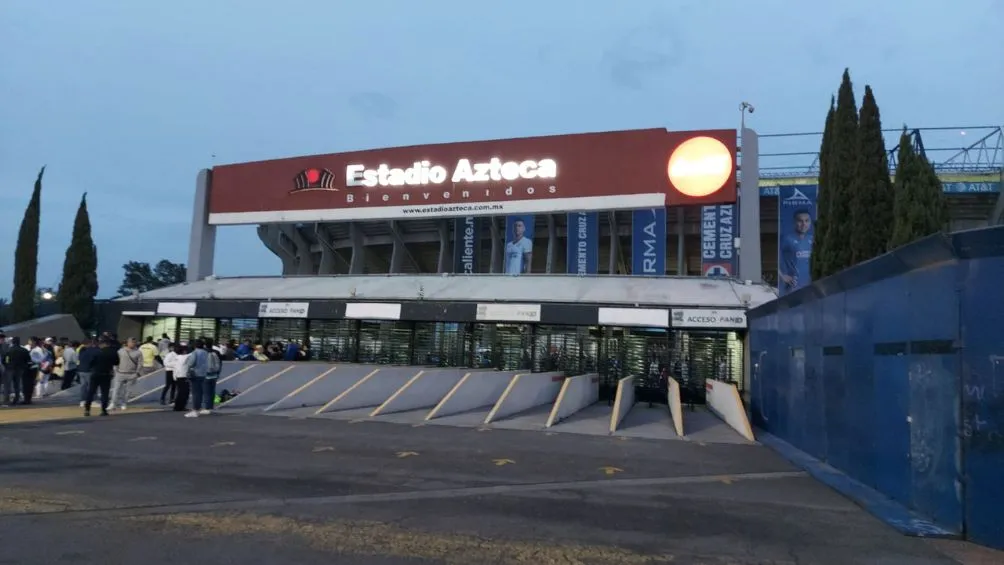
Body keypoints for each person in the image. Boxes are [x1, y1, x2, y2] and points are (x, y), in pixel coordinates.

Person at [779, 208, 813, 294]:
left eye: (806, 221)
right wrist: (782, 276)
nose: (803, 224)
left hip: (810, 286)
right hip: (793, 287)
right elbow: (773, 258)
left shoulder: (812, 239)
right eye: (800, 221)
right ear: (794, 222)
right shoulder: (787, 239)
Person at [84, 338, 119, 417]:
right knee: (105, 393)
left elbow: (91, 363)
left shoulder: (97, 352)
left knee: (91, 392)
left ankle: (87, 410)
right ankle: (103, 410)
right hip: (106, 374)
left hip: (95, 373)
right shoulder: (113, 353)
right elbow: (117, 362)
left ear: (102, 344)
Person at [111, 338, 142, 411]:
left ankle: (123, 403)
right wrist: (116, 370)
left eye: (134, 342)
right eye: (131, 342)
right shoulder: (120, 351)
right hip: (120, 373)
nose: (133, 343)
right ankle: (113, 403)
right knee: (116, 389)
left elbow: (140, 363)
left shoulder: (138, 352)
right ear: (127, 343)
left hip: (132, 374)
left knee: (127, 391)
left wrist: (137, 372)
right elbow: (116, 361)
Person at [185, 339, 209, 418]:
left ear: (195, 345)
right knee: (200, 392)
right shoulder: (206, 353)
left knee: (195, 393)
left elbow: (191, 363)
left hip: (195, 374)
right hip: (203, 374)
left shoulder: (195, 353)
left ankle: (195, 410)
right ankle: (199, 407)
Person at [5, 337, 32, 405]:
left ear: (13, 342)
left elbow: (5, 360)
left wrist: (7, 365)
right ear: (19, 342)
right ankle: (16, 399)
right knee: (17, 384)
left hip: (10, 369)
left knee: (8, 384)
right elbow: (28, 360)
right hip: (20, 369)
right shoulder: (24, 350)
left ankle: (7, 399)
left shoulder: (9, 350)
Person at [200, 338, 223, 415]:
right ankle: (210, 406)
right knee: (212, 391)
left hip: (206, 374)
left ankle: (207, 407)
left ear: (205, 344)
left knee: (206, 391)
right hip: (214, 374)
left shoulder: (203, 352)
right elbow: (220, 363)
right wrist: (218, 373)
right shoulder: (216, 352)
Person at [76, 339, 98, 407]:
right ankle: (92, 401)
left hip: (81, 370)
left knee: (83, 386)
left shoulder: (81, 350)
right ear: (90, 343)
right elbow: (93, 360)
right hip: (89, 370)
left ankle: (83, 401)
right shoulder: (91, 351)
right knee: (92, 386)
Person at [171, 344, 192, 412]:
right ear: (184, 351)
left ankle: (178, 407)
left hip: (178, 376)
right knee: (184, 393)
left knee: (180, 392)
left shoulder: (177, 357)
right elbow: (191, 354)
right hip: (183, 376)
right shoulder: (183, 357)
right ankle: (180, 407)